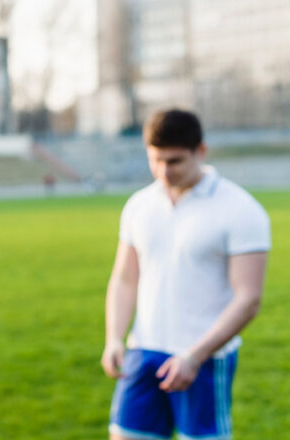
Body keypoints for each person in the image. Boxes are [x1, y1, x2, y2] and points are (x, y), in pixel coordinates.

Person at [101, 109, 271, 440]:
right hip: (144, 350)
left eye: (175, 161)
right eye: (156, 160)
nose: (164, 171)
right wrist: (114, 338)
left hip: (203, 358)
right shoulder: (139, 204)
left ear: (200, 151)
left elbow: (248, 298)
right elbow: (125, 278)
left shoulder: (240, 209)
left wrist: (194, 356)